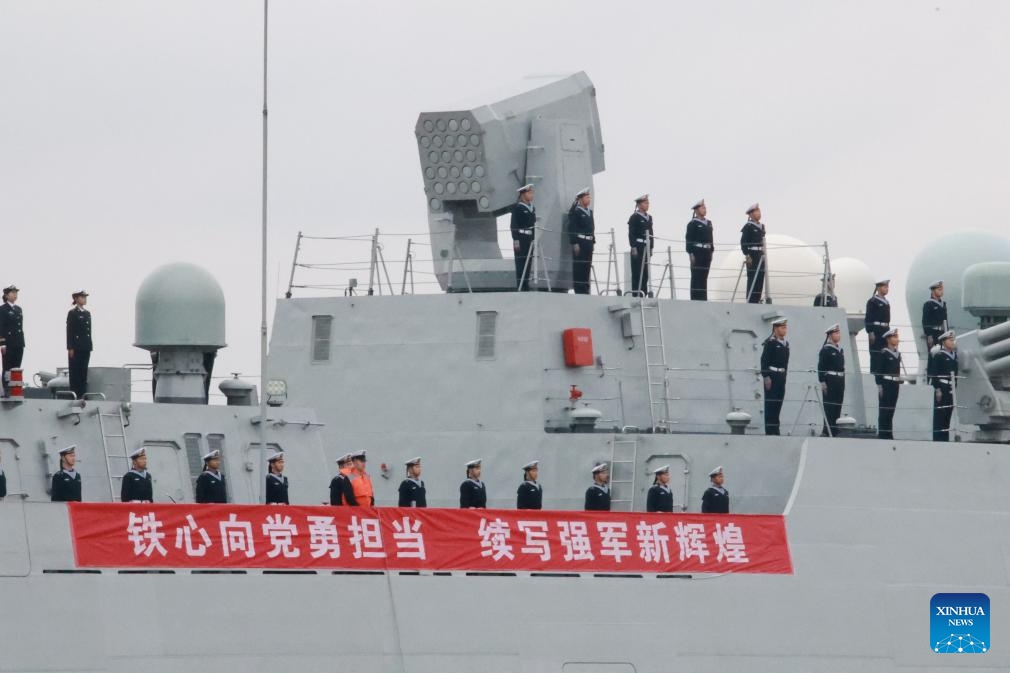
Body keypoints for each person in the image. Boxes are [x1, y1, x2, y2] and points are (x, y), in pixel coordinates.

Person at [761, 318, 790, 435]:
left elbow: (785, 363)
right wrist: (766, 377)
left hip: (781, 376)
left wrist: (784, 376)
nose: (785, 330)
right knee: (771, 404)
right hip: (772, 376)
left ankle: (776, 429)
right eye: (782, 328)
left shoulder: (785, 344)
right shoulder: (770, 343)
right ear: (775, 329)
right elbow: (764, 360)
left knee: (778, 403)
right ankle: (770, 430)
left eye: (785, 327)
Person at [817, 323, 846, 437]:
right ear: (830, 335)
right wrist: (823, 382)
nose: (838, 335)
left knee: (838, 405)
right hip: (830, 380)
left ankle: (835, 429)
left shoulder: (839, 350)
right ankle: (827, 429)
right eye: (836, 333)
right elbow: (821, 367)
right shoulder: (826, 350)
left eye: (839, 333)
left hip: (839, 380)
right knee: (829, 406)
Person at [930, 330, 958, 442]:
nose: (952, 342)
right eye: (950, 340)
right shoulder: (939, 356)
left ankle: (944, 438)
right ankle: (938, 439)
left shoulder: (954, 356)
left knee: (948, 415)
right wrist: (937, 389)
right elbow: (934, 373)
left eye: (953, 340)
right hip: (942, 387)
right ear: (944, 341)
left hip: (951, 388)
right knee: (940, 415)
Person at [568, 188, 595, 295]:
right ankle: (579, 288)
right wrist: (575, 242)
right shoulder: (576, 212)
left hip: (588, 242)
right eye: (587, 197)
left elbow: (592, 227)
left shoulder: (590, 212)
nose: (589, 199)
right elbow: (572, 227)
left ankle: (585, 288)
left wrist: (593, 241)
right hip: (580, 242)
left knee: (587, 266)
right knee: (579, 266)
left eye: (589, 197)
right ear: (581, 199)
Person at [66, 290, 93, 400]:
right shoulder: (73, 313)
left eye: (85, 297)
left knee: (83, 371)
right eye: (82, 297)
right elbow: (70, 331)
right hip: (76, 346)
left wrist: (89, 345)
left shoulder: (87, 313)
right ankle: (75, 393)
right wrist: (70, 347)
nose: (84, 299)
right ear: (76, 299)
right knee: (75, 371)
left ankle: (82, 393)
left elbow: (88, 331)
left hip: (85, 346)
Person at [685, 199, 714, 300]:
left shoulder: (709, 223)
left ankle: (703, 298)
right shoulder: (692, 224)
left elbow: (711, 238)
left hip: (707, 251)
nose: (704, 209)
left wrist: (711, 251)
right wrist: (691, 254)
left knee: (704, 277)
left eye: (705, 207)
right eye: (702, 207)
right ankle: (695, 298)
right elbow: (689, 239)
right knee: (696, 276)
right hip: (697, 251)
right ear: (696, 210)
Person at [877, 328, 903, 440]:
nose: (897, 339)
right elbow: (879, 370)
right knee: (884, 409)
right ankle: (883, 433)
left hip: (895, 384)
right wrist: (879, 385)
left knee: (891, 409)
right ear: (888, 339)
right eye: (894, 337)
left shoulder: (897, 354)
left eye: (897, 337)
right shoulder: (884, 353)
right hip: (886, 383)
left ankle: (889, 433)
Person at [510, 184, 537, 291]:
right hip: (521, 238)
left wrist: (534, 238)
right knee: (521, 262)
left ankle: (526, 285)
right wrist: (515, 239)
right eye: (529, 193)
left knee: (528, 263)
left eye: (532, 193)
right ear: (523, 195)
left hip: (529, 238)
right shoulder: (517, 208)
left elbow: (534, 225)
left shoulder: (532, 208)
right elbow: (514, 224)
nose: (532, 195)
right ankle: (520, 286)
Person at [627, 194, 655, 297]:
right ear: (639, 205)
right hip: (638, 246)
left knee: (645, 274)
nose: (647, 204)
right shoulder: (634, 217)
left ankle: (643, 293)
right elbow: (631, 233)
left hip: (646, 246)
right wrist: (633, 246)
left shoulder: (649, 217)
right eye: (645, 203)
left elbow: (651, 233)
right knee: (637, 272)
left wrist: (651, 247)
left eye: (648, 203)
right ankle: (636, 294)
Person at [0, 285, 25, 397]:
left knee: (17, 367)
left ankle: (15, 389)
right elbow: (1, 327)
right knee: (7, 367)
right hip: (8, 343)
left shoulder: (18, 309)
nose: (15, 295)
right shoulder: (3, 309)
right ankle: (6, 389)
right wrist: (2, 344)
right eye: (12, 292)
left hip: (18, 342)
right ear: (6, 295)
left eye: (16, 292)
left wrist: (22, 342)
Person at [864, 279, 891, 379]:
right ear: (879, 288)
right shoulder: (872, 301)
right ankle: (875, 377)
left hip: (885, 330)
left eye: (887, 287)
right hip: (876, 331)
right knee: (876, 356)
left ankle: (883, 376)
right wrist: (870, 331)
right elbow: (868, 317)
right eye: (885, 287)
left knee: (885, 354)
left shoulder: (886, 302)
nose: (887, 289)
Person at [740, 204, 766, 303]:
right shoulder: (748, 226)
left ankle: (757, 298)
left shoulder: (761, 226)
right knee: (752, 277)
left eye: (759, 211)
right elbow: (743, 242)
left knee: (760, 277)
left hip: (760, 254)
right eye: (756, 211)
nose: (759, 213)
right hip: (752, 254)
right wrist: (747, 255)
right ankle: (751, 299)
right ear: (751, 214)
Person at [921, 281, 947, 350]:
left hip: (942, 333)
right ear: (933, 291)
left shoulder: (943, 304)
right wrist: (929, 336)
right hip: (933, 334)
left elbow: (945, 320)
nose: (941, 291)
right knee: (934, 353)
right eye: (939, 289)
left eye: (942, 289)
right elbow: (925, 322)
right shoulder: (928, 304)